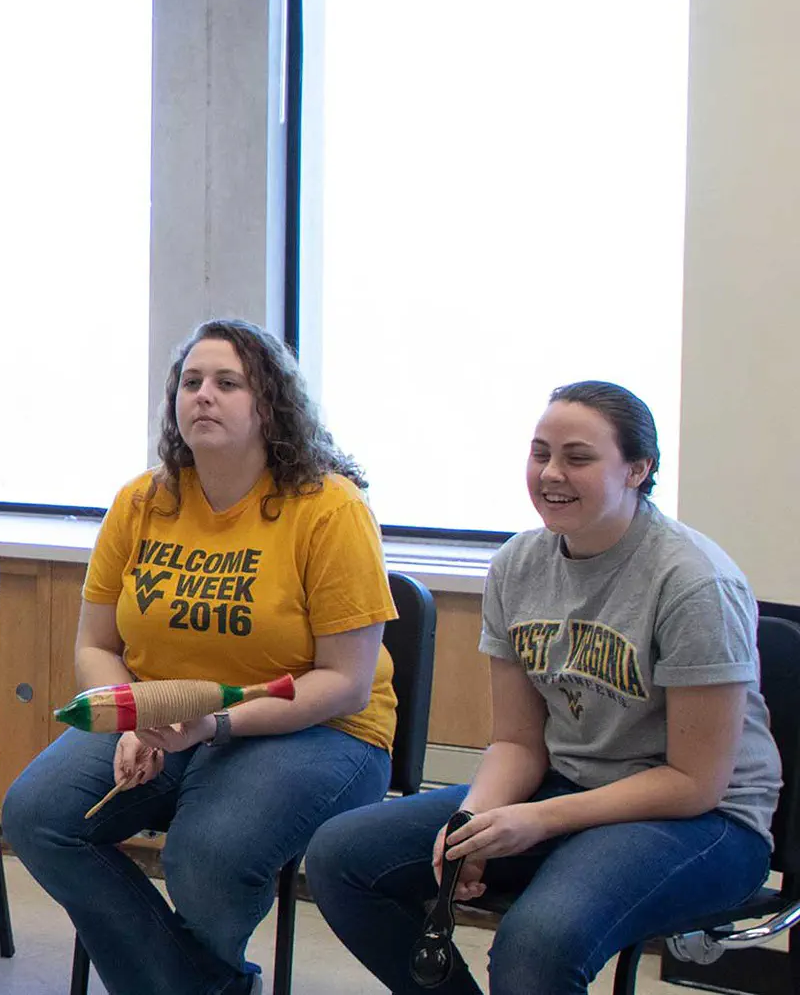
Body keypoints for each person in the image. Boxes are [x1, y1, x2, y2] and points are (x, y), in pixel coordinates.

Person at [304, 381, 780, 994]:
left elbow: (695, 782)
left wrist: (537, 820)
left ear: (638, 469)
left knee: (536, 943)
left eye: (578, 458)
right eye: (539, 454)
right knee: (342, 857)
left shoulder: (693, 583)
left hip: (705, 819)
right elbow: (518, 743)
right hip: (570, 786)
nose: (551, 474)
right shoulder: (517, 565)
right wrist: (476, 820)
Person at [2, 318, 398, 995]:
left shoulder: (328, 508)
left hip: (318, 730)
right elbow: (96, 645)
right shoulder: (142, 501)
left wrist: (215, 725)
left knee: (207, 855)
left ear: (270, 405)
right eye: (191, 383)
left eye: (227, 383)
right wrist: (130, 718)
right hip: (164, 715)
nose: (203, 396)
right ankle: (201, 985)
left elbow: (346, 683)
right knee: (36, 814)